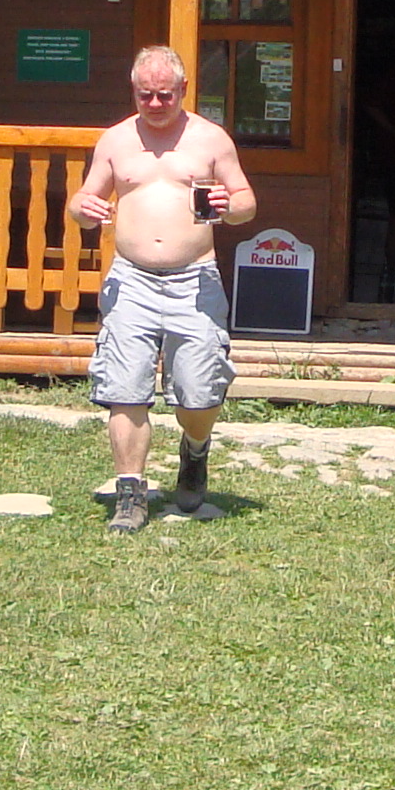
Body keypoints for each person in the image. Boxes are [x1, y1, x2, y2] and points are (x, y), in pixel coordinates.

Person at [69, 44, 255, 532]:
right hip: (130, 279)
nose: (154, 103)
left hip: (194, 280)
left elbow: (246, 202)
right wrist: (82, 208)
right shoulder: (115, 140)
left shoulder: (210, 139)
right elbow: (84, 199)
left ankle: (195, 449)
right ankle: (130, 492)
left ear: (184, 90)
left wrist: (230, 206)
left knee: (198, 393)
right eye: (145, 94)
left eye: (164, 95)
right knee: (125, 387)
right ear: (133, 90)